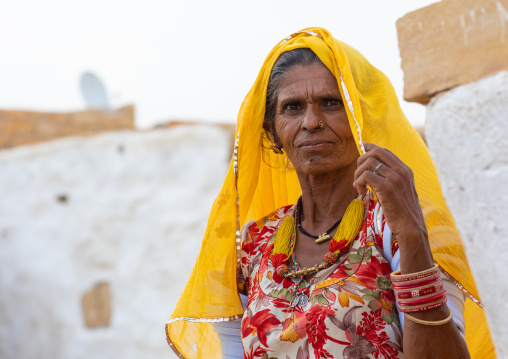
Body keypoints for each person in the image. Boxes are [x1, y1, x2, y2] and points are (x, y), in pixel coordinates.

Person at [166, 27, 495, 359]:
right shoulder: (252, 246)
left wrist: (412, 236)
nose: (311, 121)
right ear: (273, 133)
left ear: (358, 117)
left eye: (331, 103)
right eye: (292, 108)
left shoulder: (401, 226)